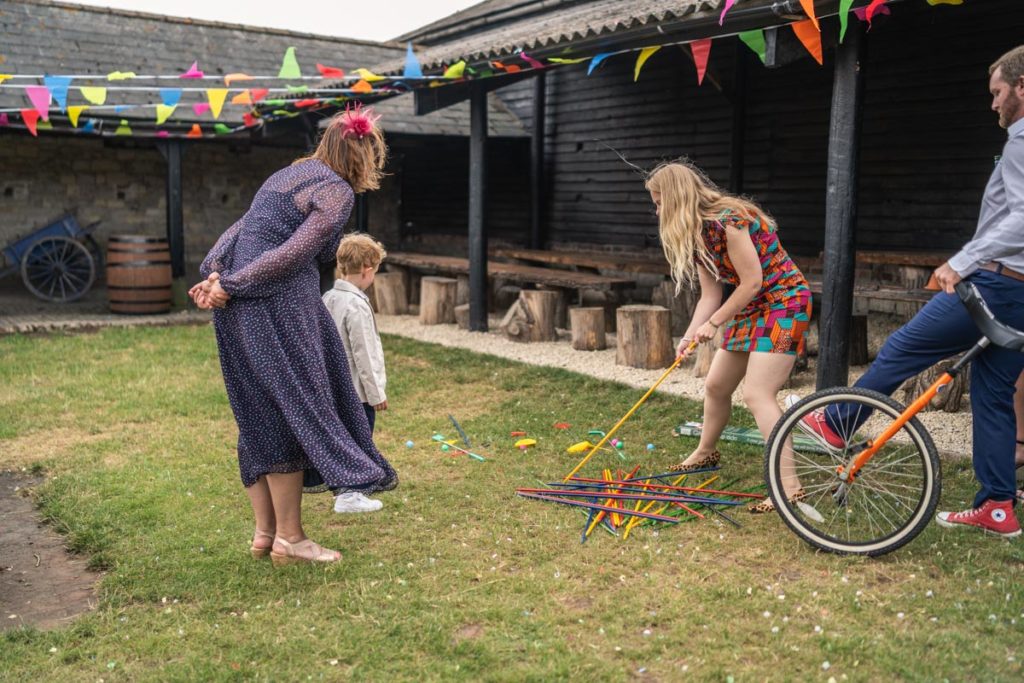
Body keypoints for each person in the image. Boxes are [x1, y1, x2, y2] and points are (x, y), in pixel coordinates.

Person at [797, 45, 1024, 538]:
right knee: (992, 397)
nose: (993, 104)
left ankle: (838, 422)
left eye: (998, 93)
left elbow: (1023, 219)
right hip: (1019, 294)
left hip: (995, 283)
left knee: (903, 346)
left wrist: (960, 262)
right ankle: (998, 507)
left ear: (1022, 88)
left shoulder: (1022, 141)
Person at [190, 105, 397, 565]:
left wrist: (216, 273)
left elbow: (241, 229)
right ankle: (292, 539)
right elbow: (295, 251)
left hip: (237, 309)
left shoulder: (290, 175)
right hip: (279, 307)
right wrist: (229, 282)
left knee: (258, 413)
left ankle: (265, 534)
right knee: (292, 408)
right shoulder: (337, 191)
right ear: (363, 153)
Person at [645, 161, 812, 513]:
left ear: (676, 199)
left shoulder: (730, 220)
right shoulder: (695, 235)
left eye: (659, 202)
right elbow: (710, 296)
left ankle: (790, 487)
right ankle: (705, 453)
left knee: (757, 393)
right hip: (749, 307)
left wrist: (716, 324)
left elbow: (751, 281)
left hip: (785, 303)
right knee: (717, 385)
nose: (657, 210)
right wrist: (690, 335)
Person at [322, 233, 389, 514]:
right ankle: (352, 494)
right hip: (357, 393)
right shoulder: (356, 305)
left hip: (333, 387)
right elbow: (363, 354)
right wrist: (376, 394)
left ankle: (345, 490)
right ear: (367, 270)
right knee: (360, 439)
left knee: (342, 439)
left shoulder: (328, 297)